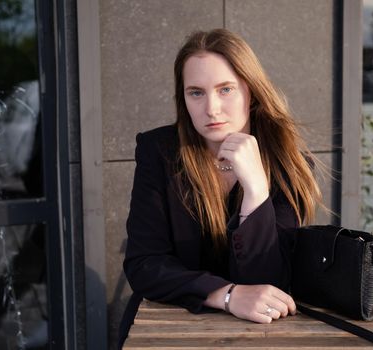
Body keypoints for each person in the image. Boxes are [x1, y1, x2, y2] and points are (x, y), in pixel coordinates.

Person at [119, 28, 323, 347]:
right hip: (169, 328)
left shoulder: (289, 164)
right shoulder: (160, 152)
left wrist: (256, 191)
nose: (211, 108)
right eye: (196, 92)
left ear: (251, 91)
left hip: (258, 335)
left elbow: (269, 282)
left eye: (225, 89)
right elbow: (144, 264)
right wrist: (226, 295)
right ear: (183, 98)